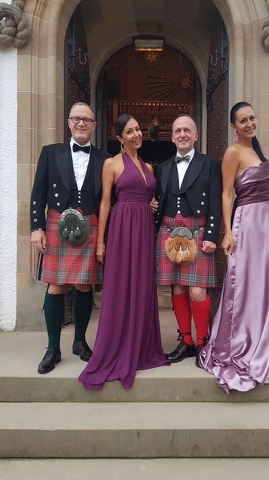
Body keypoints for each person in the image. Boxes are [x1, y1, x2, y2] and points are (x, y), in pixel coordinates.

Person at [199, 101, 269, 393]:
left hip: (267, 225)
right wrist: (227, 232)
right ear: (233, 126)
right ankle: (238, 340)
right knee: (243, 282)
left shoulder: (256, 150)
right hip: (246, 223)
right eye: (242, 121)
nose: (249, 124)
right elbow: (225, 193)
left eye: (252, 118)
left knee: (266, 282)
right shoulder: (233, 152)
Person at [78, 113, 168, 390]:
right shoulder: (111, 164)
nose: (137, 135)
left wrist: (150, 206)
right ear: (119, 138)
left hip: (143, 229)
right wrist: (101, 241)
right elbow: (105, 203)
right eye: (130, 132)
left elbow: (149, 197)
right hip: (121, 228)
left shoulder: (148, 167)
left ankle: (141, 346)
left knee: (142, 286)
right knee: (120, 287)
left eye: (138, 130)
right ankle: (117, 347)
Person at [30, 101, 111, 374]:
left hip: (90, 223)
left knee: (85, 285)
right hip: (56, 222)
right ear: (68, 122)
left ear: (94, 125)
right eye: (76, 119)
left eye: (86, 119)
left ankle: (79, 341)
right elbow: (38, 193)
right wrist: (36, 227)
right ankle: (53, 348)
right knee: (56, 286)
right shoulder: (50, 153)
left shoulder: (104, 158)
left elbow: (113, 196)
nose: (81, 123)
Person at [155, 114, 222, 367]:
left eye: (187, 130)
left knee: (197, 290)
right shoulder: (163, 167)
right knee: (178, 288)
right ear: (172, 137)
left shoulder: (210, 164)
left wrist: (212, 235)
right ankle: (186, 341)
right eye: (177, 131)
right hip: (169, 232)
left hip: (197, 232)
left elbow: (215, 201)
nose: (182, 134)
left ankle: (203, 342)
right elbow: (158, 201)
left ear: (196, 135)